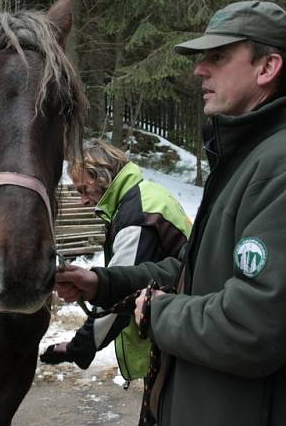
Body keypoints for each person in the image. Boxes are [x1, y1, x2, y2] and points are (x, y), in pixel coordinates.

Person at [56, 1, 286, 426]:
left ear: (267, 67)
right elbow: (194, 276)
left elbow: (255, 328)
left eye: (218, 57)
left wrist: (158, 313)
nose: (199, 69)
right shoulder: (248, 161)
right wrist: (104, 283)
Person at [41, 139, 191, 381]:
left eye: (83, 189)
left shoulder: (136, 213)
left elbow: (122, 293)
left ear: (103, 177)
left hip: (176, 339)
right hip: (182, 324)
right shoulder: (146, 195)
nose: (83, 201)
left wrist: (78, 347)